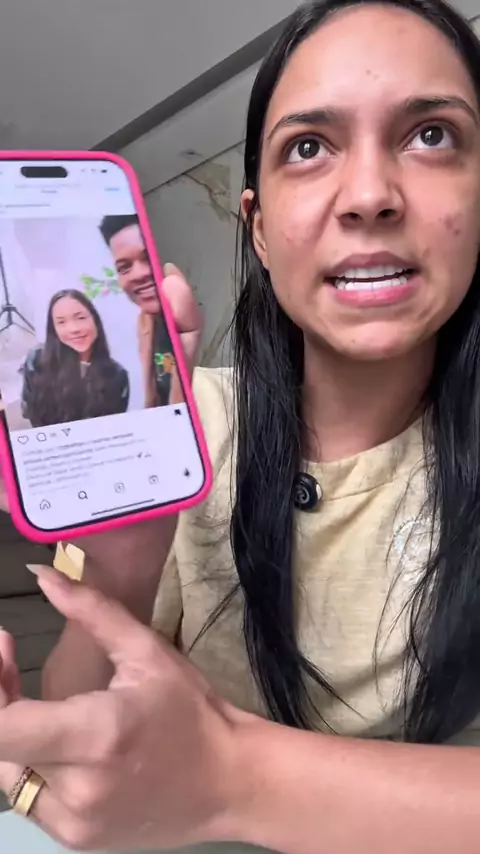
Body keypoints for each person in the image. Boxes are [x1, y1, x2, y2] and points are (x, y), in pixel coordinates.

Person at [1, 0, 480, 851]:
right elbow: (86, 719)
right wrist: (119, 574)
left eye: (431, 135)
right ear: (256, 228)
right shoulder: (190, 426)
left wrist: (236, 776)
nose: (370, 195)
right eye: (310, 147)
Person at [99, 214, 183, 407]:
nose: (138, 274)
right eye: (124, 267)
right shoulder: (146, 323)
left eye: (148, 257)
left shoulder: (195, 323)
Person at [19, 289, 129, 428]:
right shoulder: (37, 360)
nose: (74, 329)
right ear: (54, 329)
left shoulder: (117, 375)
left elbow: (114, 425)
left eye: (81, 318)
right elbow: (31, 413)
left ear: (95, 320)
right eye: (61, 322)